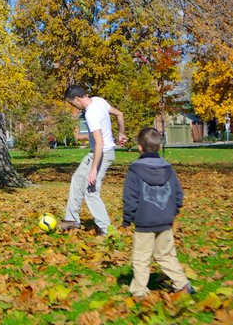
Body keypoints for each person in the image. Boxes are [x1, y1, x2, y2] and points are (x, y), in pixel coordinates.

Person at [121, 126, 194, 298]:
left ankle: (139, 291)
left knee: (141, 258)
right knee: (166, 255)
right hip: (165, 221)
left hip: (144, 223)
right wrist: (172, 212)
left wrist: (126, 220)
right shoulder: (168, 169)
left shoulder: (135, 170)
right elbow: (178, 194)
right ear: (159, 147)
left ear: (139, 147)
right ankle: (182, 284)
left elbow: (130, 198)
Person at [60, 84, 126, 235]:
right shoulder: (98, 100)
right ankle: (72, 219)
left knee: (91, 192)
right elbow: (120, 114)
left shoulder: (91, 114)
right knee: (77, 179)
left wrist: (94, 170)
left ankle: (106, 230)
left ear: (77, 98)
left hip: (102, 153)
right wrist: (121, 133)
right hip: (95, 153)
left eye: (72, 103)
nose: (74, 107)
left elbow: (99, 143)